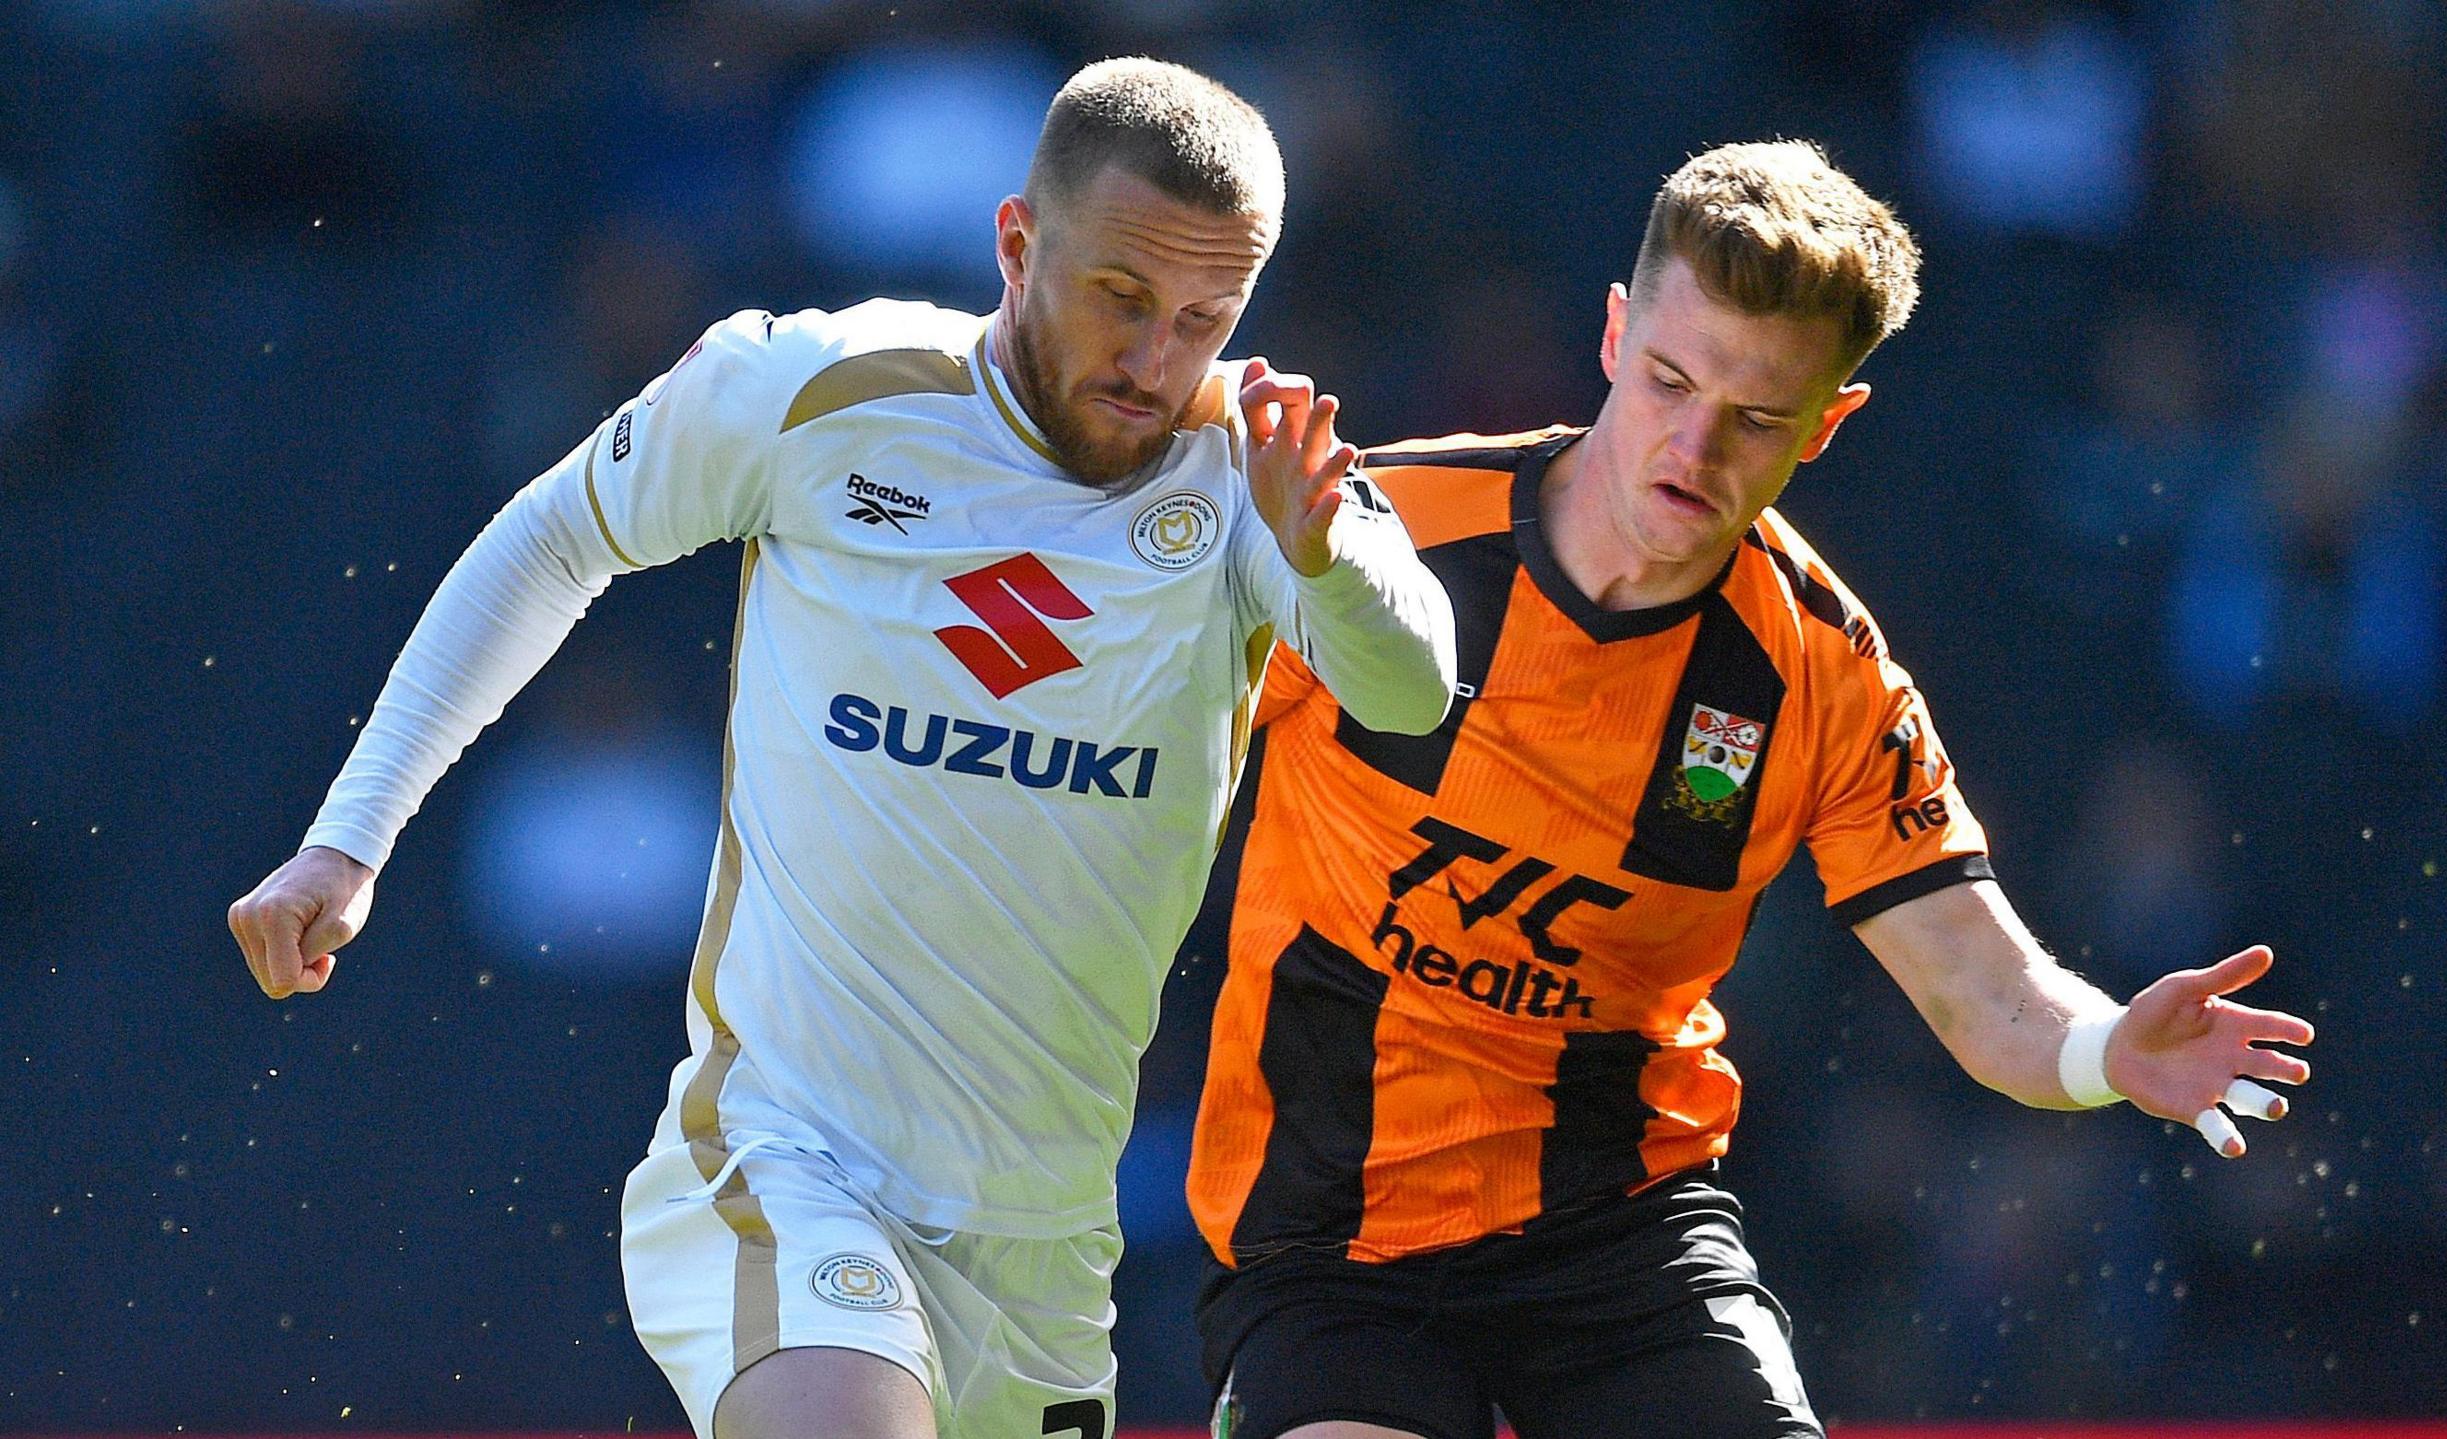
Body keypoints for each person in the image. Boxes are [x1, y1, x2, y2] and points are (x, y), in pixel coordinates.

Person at [225, 58, 1456, 1439]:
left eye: (1202, 318)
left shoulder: (1254, 478)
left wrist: (1324, 558)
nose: (1157, 361)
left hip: (1040, 1239)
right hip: (788, 1165)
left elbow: (1412, 686)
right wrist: (352, 829)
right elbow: (558, 532)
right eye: (1121, 299)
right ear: (1016, 243)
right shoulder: (821, 388)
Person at [1185, 140, 2314, 1439]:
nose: (1694, 442)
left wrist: (2107, 1048)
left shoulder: (1819, 674)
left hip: (1622, 1245)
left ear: (1828, 423)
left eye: (1758, 415)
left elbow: (1981, 986)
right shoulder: (1372, 535)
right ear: (1614, 335)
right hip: (1329, 1241)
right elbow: (1120, 752)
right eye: (1670, 380)